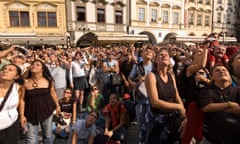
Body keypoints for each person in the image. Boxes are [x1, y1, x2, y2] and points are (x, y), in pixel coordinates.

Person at [144, 48, 187, 144]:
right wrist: (178, 107)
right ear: (155, 61)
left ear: (169, 60)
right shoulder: (151, 76)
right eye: (160, 54)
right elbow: (155, 102)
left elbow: (177, 96)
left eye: (166, 55)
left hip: (173, 120)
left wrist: (184, 117)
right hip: (158, 123)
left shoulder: (171, 75)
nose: (163, 55)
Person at [20, 60, 61, 144]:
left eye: (37, 64)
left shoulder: (48, 80)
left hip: (47, 111)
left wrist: (57, 106)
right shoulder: (25, 82)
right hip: (30, 113)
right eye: (33, 64)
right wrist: (21, 115)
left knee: (47, 136)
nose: (34, 65)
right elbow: (22, 100)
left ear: (42, 69)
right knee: (31, 140)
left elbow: (53, 93)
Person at [198, 64, 240, 143]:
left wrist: (217, 107)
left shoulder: (237, 90)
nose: (221, 71)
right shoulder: (206, 91)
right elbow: (207, 107)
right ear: (212, 77)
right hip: (212, 138)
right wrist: (229, 104)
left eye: (224, 70)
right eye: (217, 70)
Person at [0, 64, 24, 144]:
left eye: (10, 70)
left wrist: (21, 115)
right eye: (4, 68)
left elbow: (21, 100)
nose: (5, 71)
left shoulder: (18, 87)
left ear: (16, 76)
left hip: (11, 127)